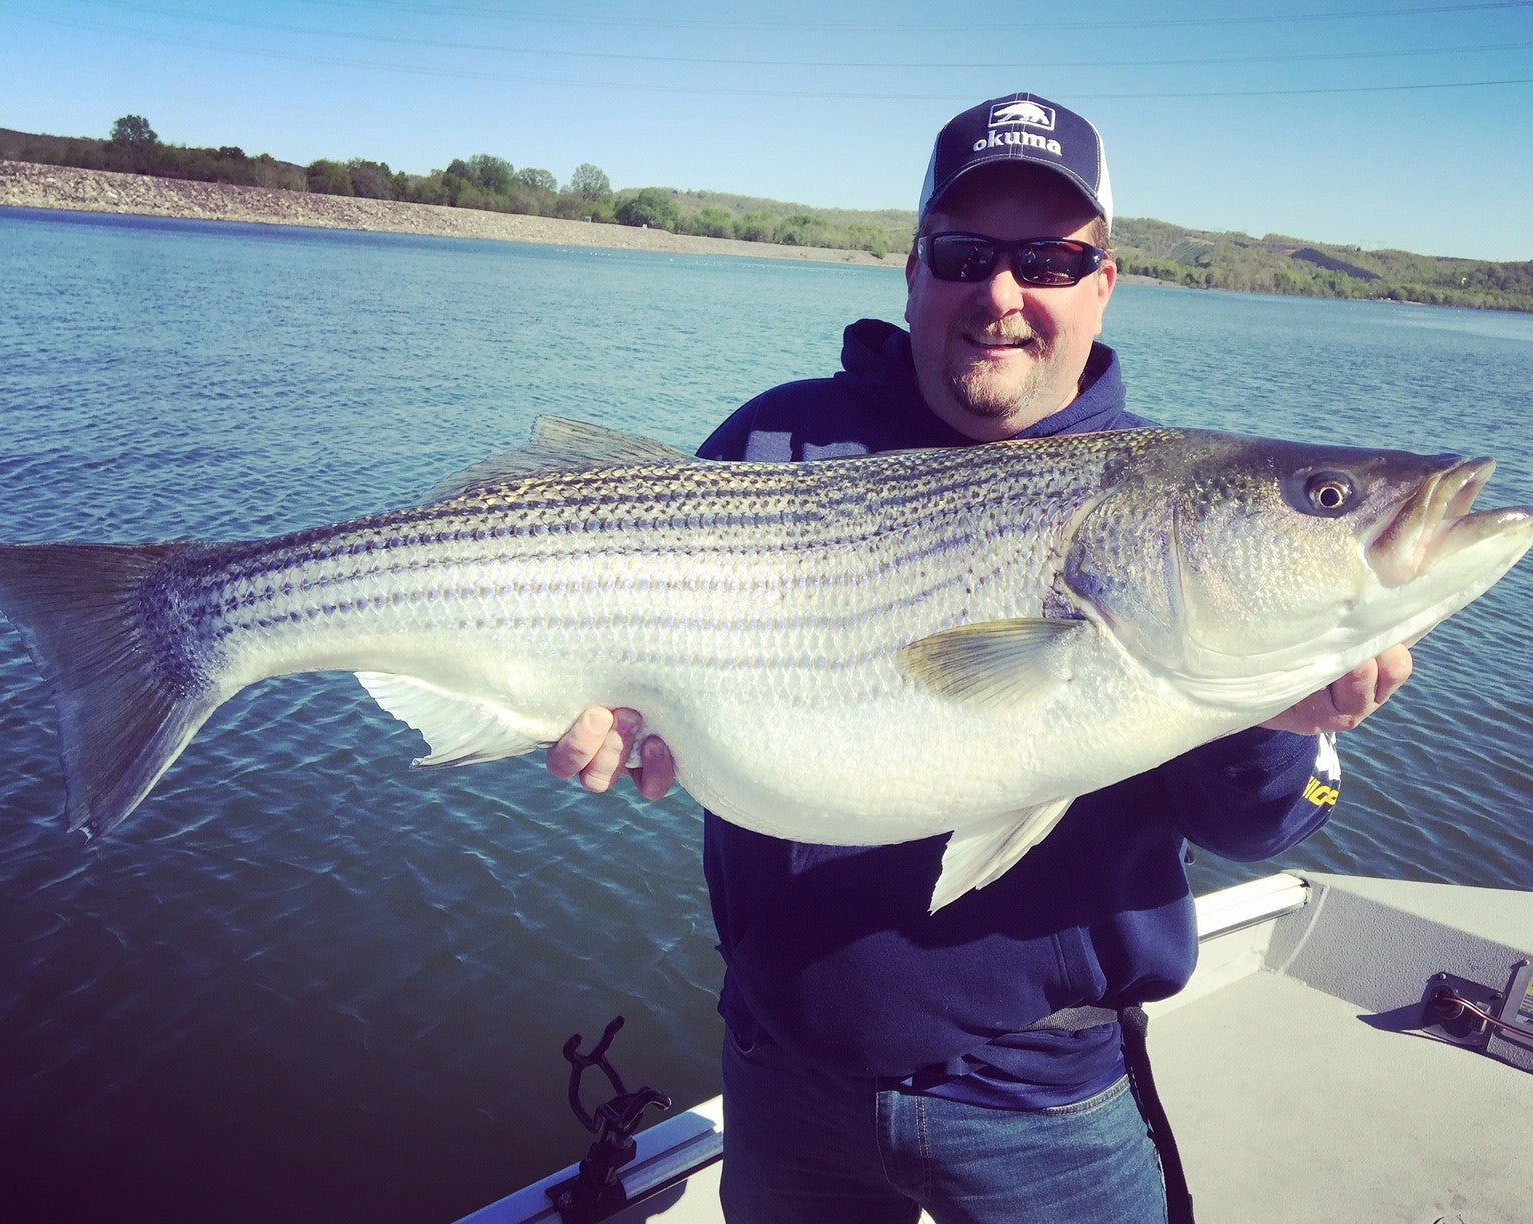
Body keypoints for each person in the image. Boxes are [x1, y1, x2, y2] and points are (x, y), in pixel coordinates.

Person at [546, 91, 1412, 1224]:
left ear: (1104, 282)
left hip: (1044, 1108)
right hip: (782, 1074)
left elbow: (1259, 826)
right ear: (912, 272)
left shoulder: (1159, 502)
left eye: (1049, 259)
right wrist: (601, 714)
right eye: (964, 253)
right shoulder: (779, 444)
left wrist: (1283, 718)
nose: (1001, 295)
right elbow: (621, 661)